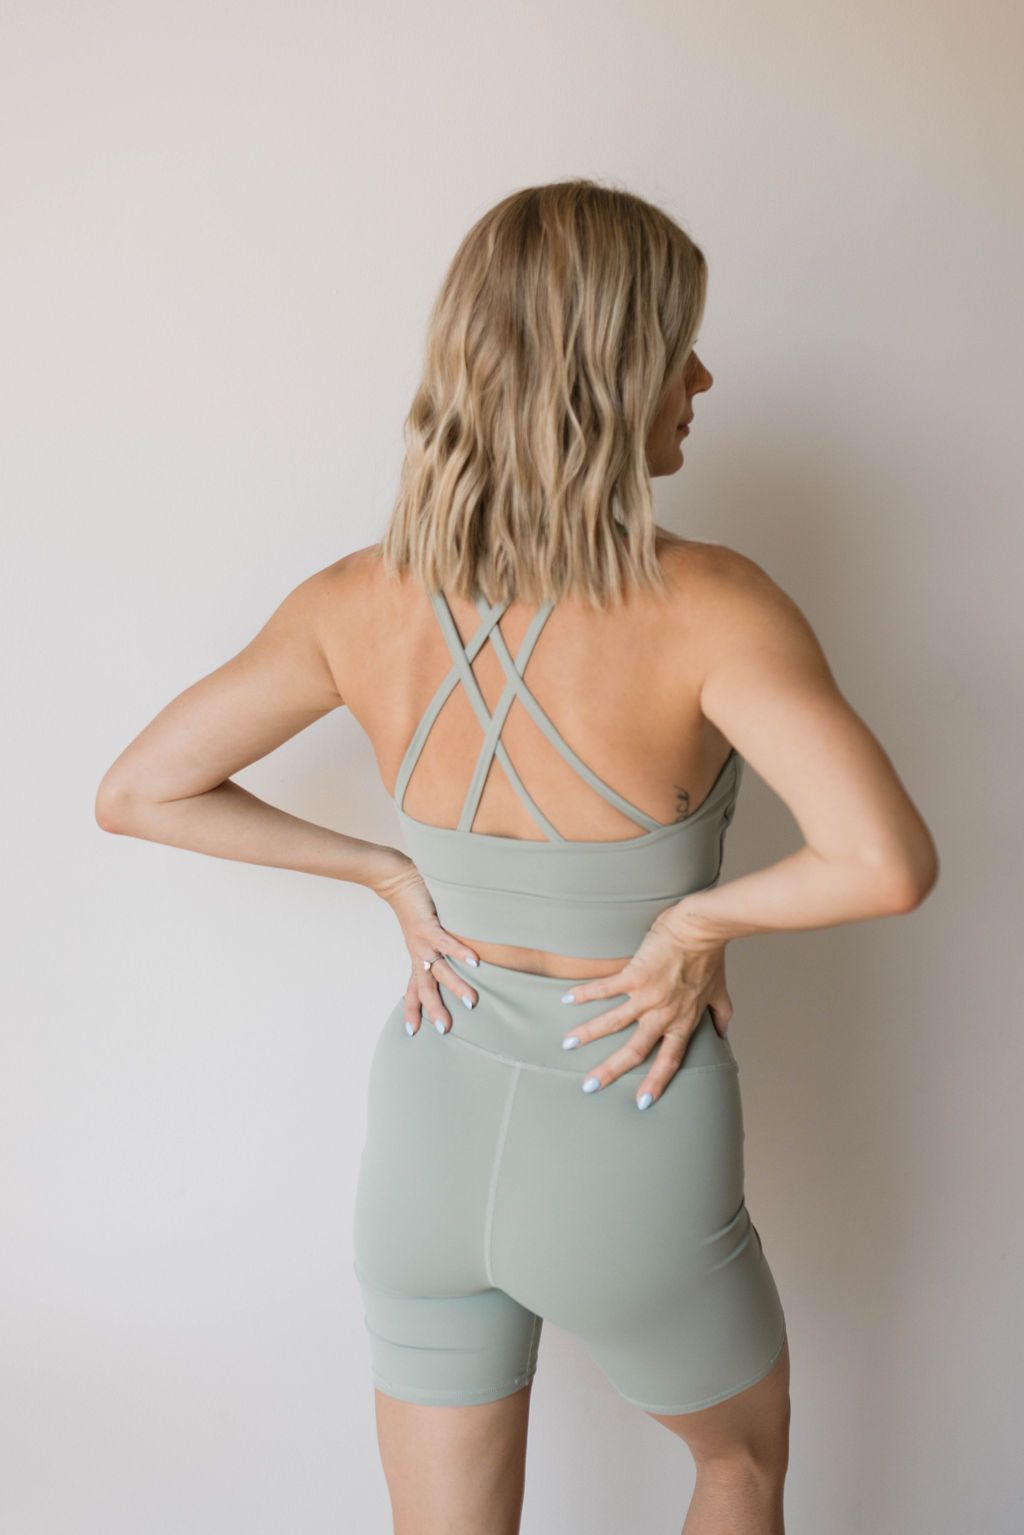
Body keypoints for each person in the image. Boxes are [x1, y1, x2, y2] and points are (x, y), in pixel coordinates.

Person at [95, 179, 939, 1535]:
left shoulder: (350, 602)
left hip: (426, 1119)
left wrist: (388, 873)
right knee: (737, 1468)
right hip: (631, 1112)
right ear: (609, 376)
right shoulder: (712, 605)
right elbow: (885, 862)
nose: (703, 377)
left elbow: (140, 791)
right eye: (679, 345)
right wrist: (687, 929)